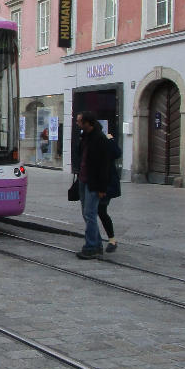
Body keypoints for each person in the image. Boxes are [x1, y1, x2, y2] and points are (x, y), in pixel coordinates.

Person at [74, 111, 114, 260]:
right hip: (83, 180)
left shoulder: (100, 139)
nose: (77, 124)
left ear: (87, 123)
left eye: (79, 121)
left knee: (90, 214)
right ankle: (96, 244)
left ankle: (91, 246)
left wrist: (102, 188)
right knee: (86, 213)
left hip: (94, 183)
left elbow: (105, 166)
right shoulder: (85, 137)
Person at [99, 130, 123, 253]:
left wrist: (110, 140)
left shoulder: (107, 140)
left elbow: (116, 153)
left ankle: (111, 239)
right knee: (91, 212)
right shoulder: (88, 140)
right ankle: (95, 240)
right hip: (93, 182)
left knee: (101, 210)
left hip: (106, 184)